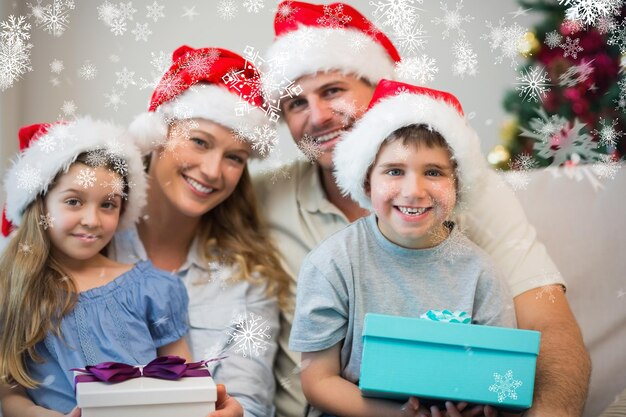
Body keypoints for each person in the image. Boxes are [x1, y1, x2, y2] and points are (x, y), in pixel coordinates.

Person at [254, 2, 591, 417]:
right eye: (295, 103)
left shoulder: (467, 194)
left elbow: (545, 325)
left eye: (333, 90)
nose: (318, 116)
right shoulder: (263, 197)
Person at [2, 46, 291, 417]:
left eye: (235, 157)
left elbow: (249, 400)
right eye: (199, 141)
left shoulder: (248, 278)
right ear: (157, 134)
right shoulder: (59, 246)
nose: (213, 170)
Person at [290, 79, 518, 417]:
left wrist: (480, 407)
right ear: (367, 180)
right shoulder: (332, 264)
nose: (413, 191)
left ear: (459, 182)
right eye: (395, 171)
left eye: (434, 172)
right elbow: (318, 381)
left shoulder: (480, 272)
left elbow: (502, 379)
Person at [0, 117, 192, 415]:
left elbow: (184, 384)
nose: (92, 220)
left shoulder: (152, 289)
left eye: (108, 204)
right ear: (40, 205)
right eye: (74, 201)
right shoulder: (13, 289)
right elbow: (9, 394)